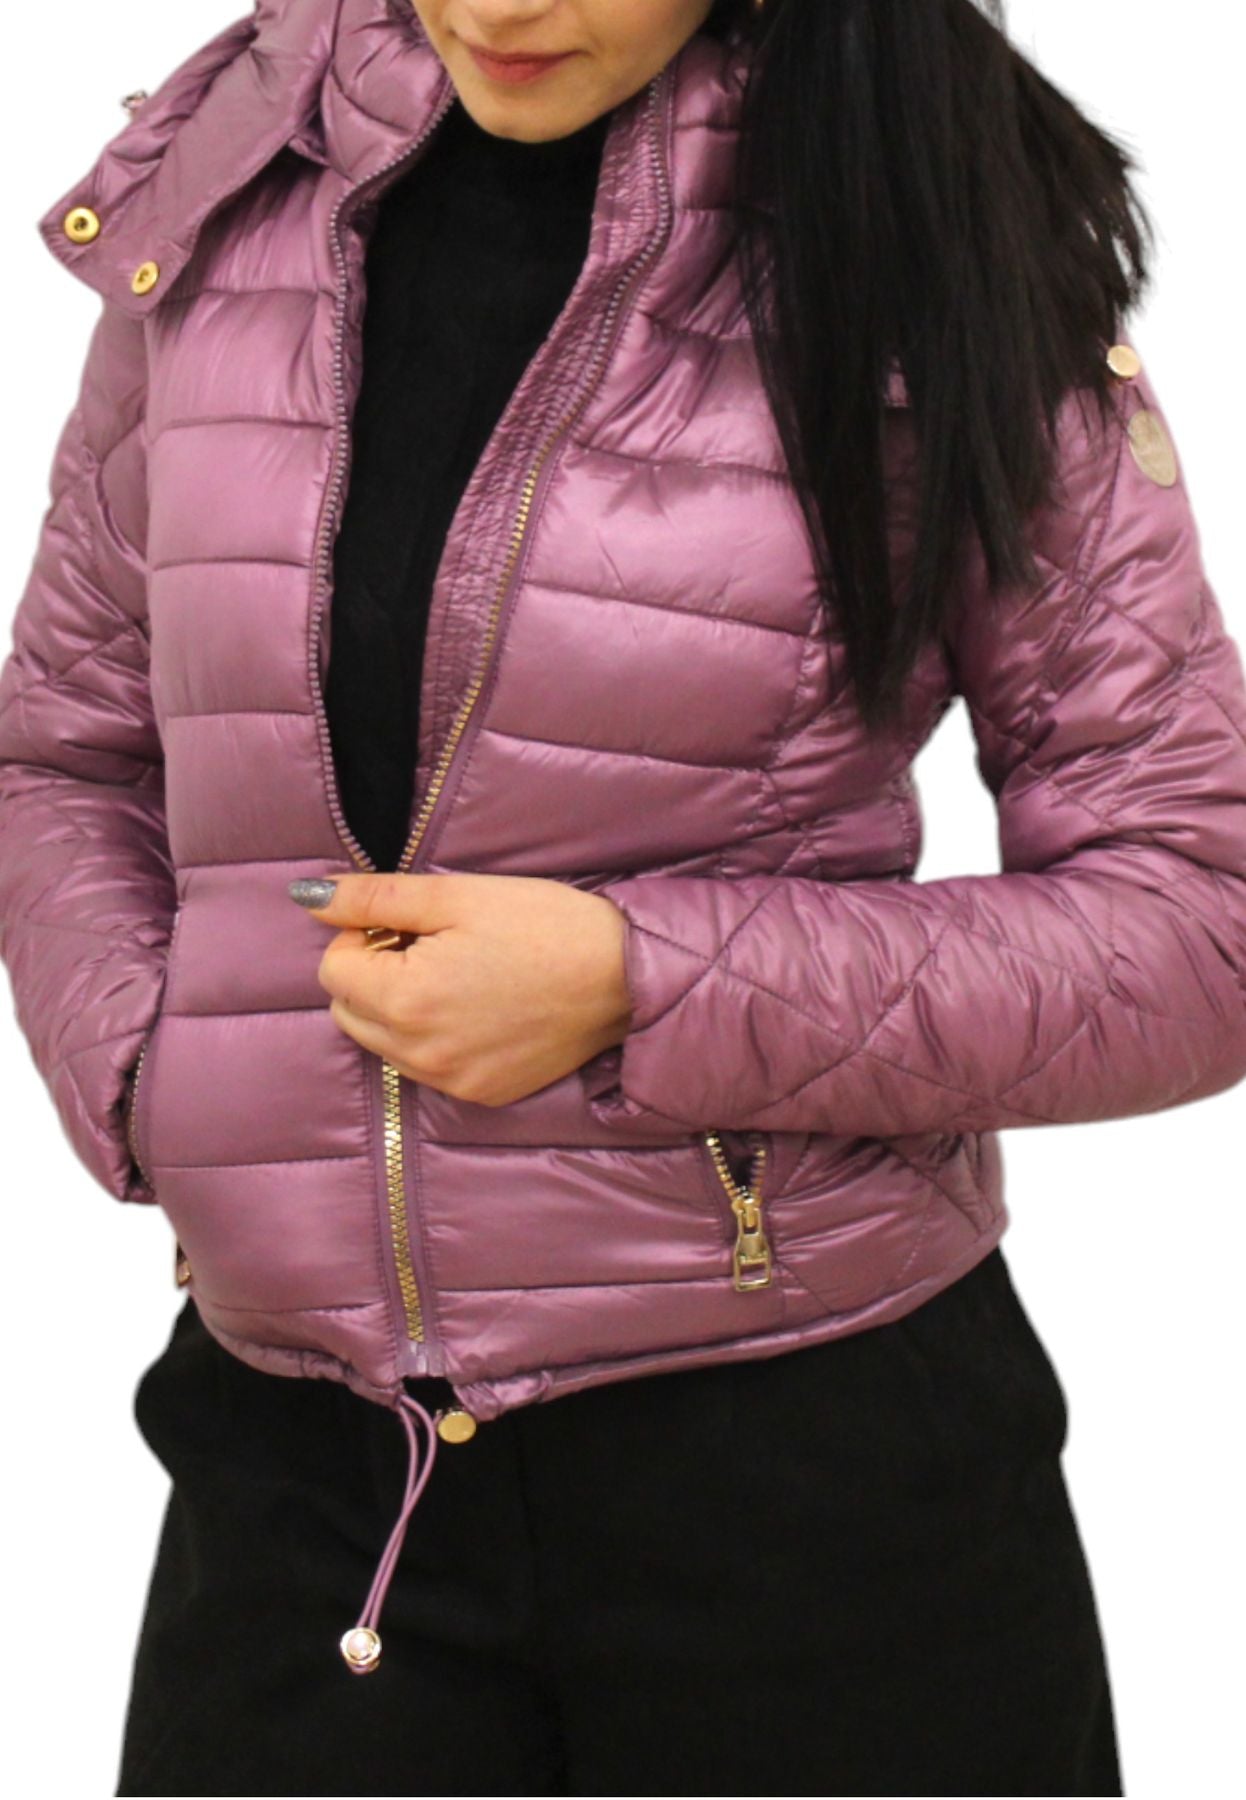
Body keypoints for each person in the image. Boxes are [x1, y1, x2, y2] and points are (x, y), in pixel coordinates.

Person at [2, 1, 1243, 1794]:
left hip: (818, 1491)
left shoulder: (923, 227)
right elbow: (71, 754)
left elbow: (1194, 921)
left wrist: (637, 982)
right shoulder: (234, 191)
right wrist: (158, 1085)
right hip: (306, 1494)